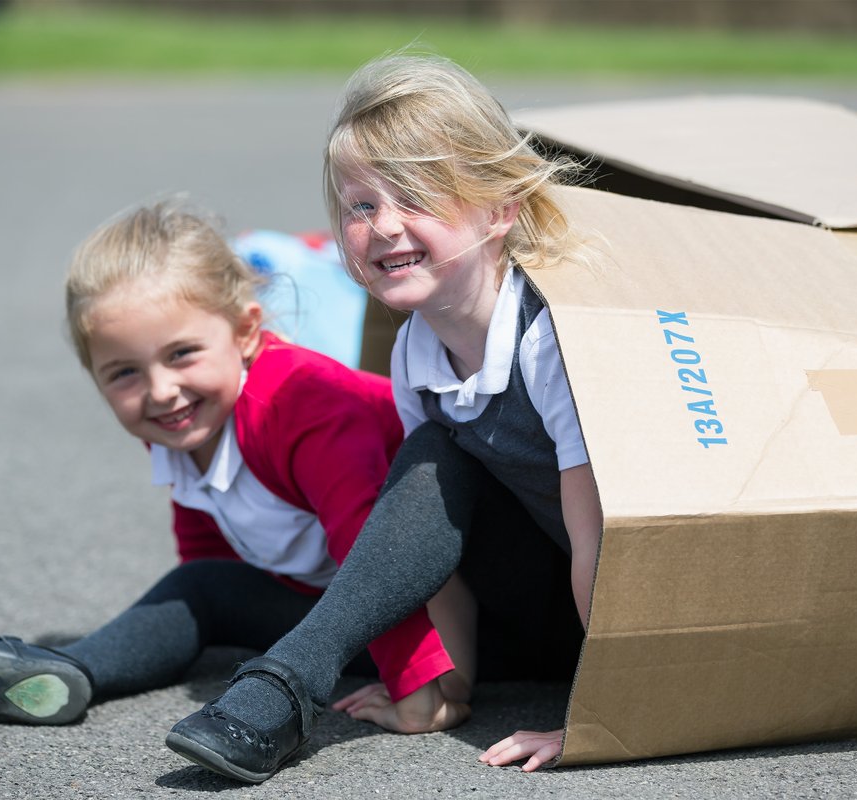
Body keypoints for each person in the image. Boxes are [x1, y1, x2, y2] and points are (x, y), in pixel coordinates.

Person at [0, 200, 467, 732]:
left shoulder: (301, 402)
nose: (160, 391)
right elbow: (209, 535)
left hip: (465, 610)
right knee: (200, 585)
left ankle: (382, 677)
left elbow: (376, 554)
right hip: (347, 611)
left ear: (246, 331)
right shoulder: (186, 418)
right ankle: (59, 671)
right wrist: (209, 622)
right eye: (124, 372)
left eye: (182, 354)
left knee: (308, 572)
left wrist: (416, 689)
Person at [164, 53, 602, 783]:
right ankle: (311, 673)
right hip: (528, 615)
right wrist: (448, 686)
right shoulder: (415, 353)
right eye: (361, 206)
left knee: (438, 451)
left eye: (417, 199)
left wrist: (600, 715)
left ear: (500, 211)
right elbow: (431, 546)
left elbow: (595, 539)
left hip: (616, 617)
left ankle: (289, 677)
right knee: (433, 452)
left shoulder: (549, 337)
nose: (385, 227)